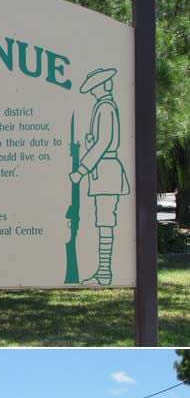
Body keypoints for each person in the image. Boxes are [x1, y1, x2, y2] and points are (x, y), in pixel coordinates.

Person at [71, 67, 128, 286]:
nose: (93, 92)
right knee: (102, 220)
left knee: (105, 221)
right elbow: (100, 141)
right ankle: (104, 269)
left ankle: (105, 271)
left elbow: (103, 143)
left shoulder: (105, 107)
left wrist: (81, 170)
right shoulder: (103, 106)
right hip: (103, 170)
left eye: (95, 88)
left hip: (106, 171)